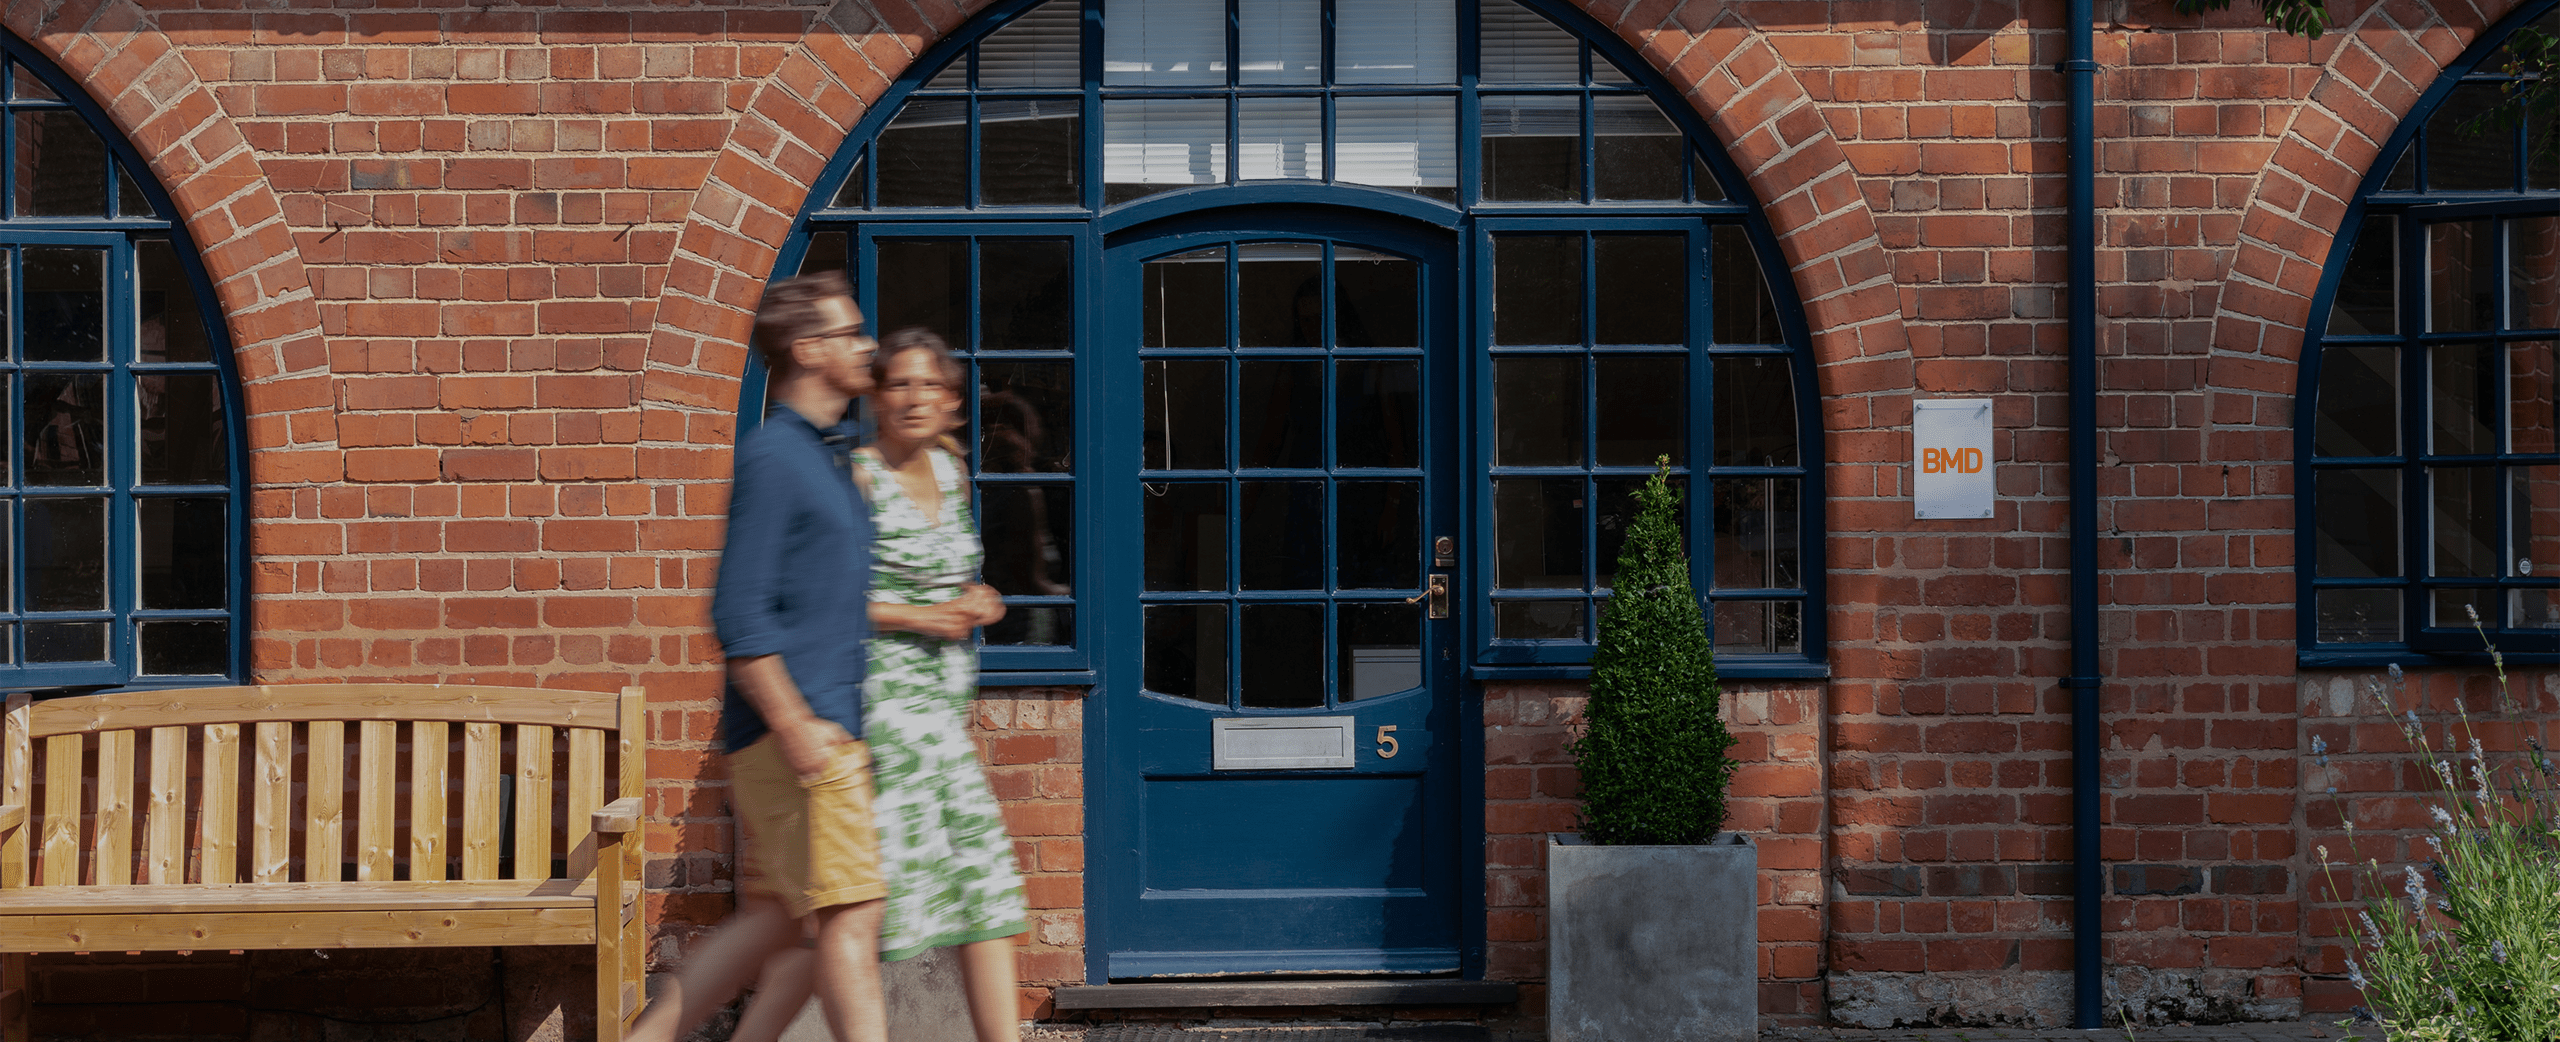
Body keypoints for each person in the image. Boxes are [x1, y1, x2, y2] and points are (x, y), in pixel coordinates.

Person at [732, 327, 1030, 1042]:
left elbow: (947, 576)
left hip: (942, 719)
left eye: (931, 385)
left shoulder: (952, 472)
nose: (914, 397)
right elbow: (829, 597)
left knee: (977, 893)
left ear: (955, 403)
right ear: (875, 394)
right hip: (883, 715)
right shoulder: (858, 475)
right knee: (847, 916)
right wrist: (927, 619)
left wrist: (979, 599)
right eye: (898, 382)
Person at [627, 271, 890, 1042]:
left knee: (778, 923)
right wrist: (796, 724)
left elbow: (834, 601)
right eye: (851, 333)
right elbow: (737, 612)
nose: (866, 345)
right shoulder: (777, 455)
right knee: (853, 917)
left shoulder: (827, 458)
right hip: (801, 734)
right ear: (809, 349)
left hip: (816, 727)